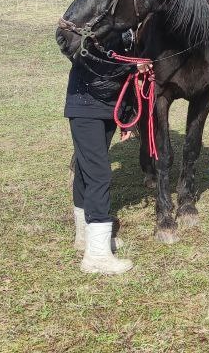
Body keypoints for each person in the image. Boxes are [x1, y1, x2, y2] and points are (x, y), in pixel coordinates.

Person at [64, 54, 134, 275]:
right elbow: (74, 45)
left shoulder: (129, 25)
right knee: (99, 174)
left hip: (109, 106)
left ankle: (86, 238)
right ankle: (97, 256)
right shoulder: (92, 20)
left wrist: (127, 115)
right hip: (87, 104)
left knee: (86, 170)